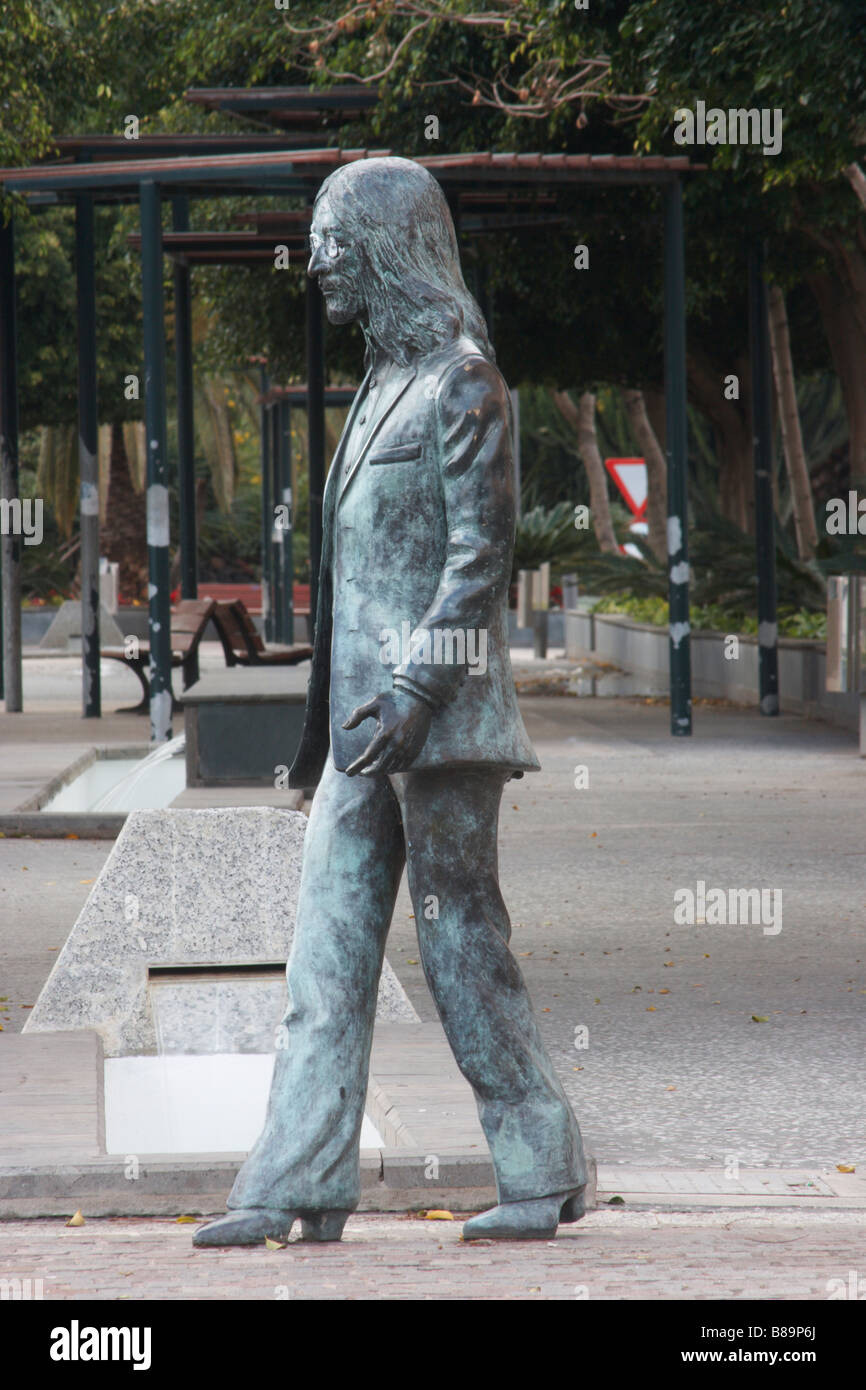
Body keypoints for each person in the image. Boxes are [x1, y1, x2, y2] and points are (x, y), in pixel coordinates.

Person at [194, 156, 587, 1247]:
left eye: (331, 239)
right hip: (363, 734)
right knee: (324, 945)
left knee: (462, 944)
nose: (314, 261)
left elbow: (476, 560)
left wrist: (416, 690)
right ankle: (294, 1181)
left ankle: (540, 1160)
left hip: (438, 724)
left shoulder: (465, 381)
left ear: (385, 247)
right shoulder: (378, 387)